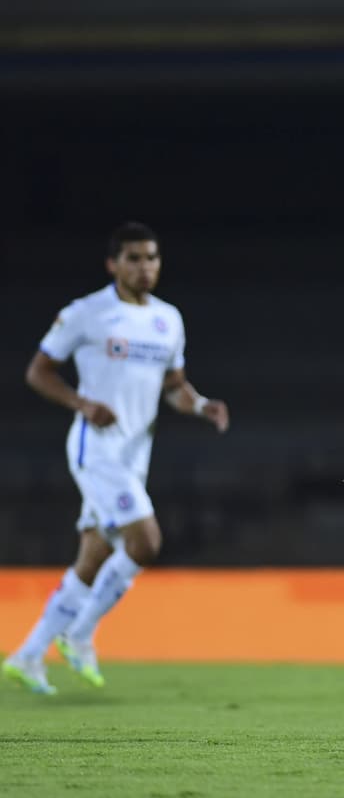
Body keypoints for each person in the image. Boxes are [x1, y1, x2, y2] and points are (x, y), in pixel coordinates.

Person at [2, 222, 230, 695]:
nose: (144, 266)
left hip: (134, 453)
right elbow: (38, 372)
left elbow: (174, 387)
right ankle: (80, 632)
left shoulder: (168, 319)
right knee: (145, 541)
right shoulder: (87, 313)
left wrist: (201, 403)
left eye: (151, 257)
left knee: (94, 556)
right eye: (133, 258)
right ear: (113, 264)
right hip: (95, 447)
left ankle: (27, 655)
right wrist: (82, 404)